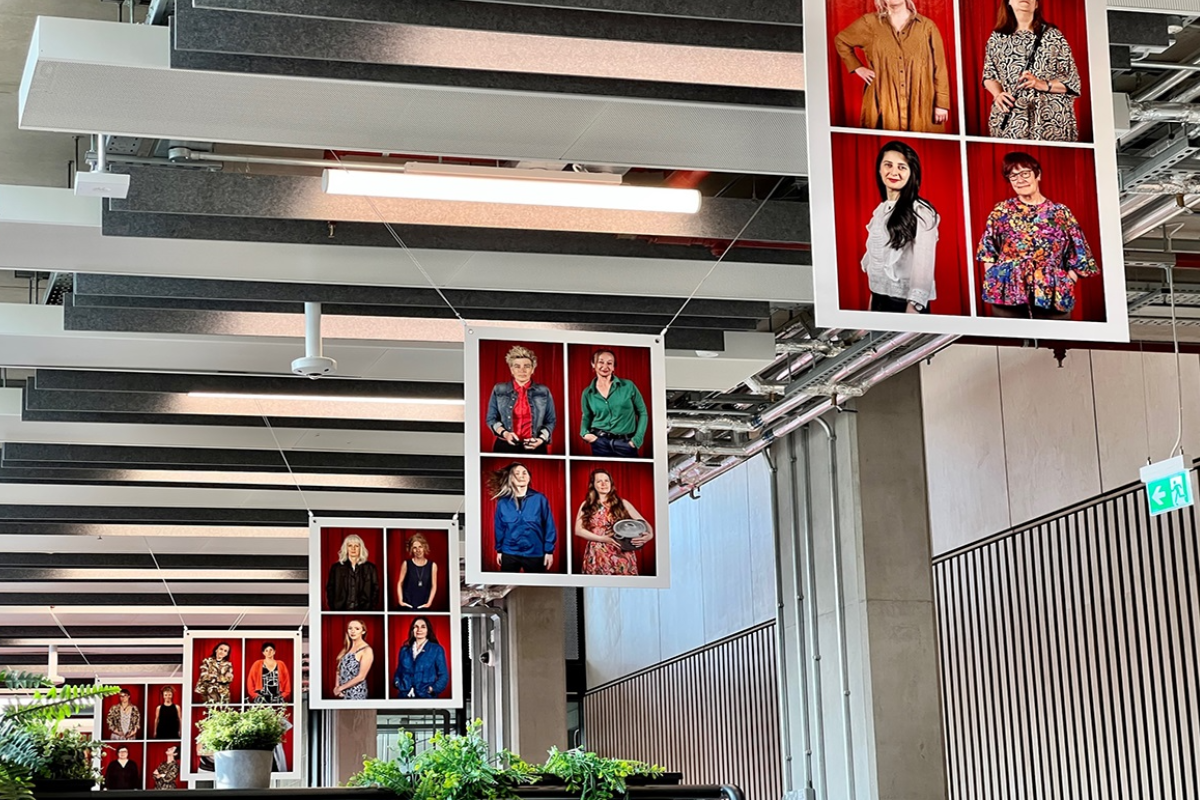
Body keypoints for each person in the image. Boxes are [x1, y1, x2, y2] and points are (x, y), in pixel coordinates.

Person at [976, 151, 1097, 318]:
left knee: (1055, 340)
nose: (1020, 180)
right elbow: (987, 251)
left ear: (1037, 175)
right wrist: (994, 278)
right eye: (1013, 176)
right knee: (1011, 340)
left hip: (1053, 290)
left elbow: (1079, 251)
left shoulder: (1060, 212)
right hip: (1008, 289)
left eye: (1025, 173)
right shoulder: (1001, 211)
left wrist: (1068, 280)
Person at [834, 0, 950, 132]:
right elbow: (841, 40)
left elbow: (939, 67)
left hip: (921, 103)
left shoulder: (927, 27)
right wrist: (857, 68)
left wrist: (941, 103)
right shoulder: (869, 23)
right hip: (883, 100)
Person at [982, 0, 1081, 141]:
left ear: (1036, 4)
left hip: (1050, 119)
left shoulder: (1053, 36)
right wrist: (998, 94)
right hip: (1012, 119)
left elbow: (1072, 81)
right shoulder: (997, 39)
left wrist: (1039, 84)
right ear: (1008, 3)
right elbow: (989, 75)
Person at [861, 142, 939, 314]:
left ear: (912, 173)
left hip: (906, 304)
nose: (894, 172)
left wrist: (913, 308)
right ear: (879, 169)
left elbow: (924, 264)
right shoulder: (881, 211)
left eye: (901, 167)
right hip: (879, 300)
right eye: (888, 165)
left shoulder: (921, 211)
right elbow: (877, 266)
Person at [574, 469, 653, 576]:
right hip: (598, 554)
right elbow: (578, 530)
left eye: (606, 480)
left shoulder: (622, 503)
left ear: (611, 483)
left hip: (622, 553)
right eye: (599, 481)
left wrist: (649, 535)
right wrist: (602, 539)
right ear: (593, 485)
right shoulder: (587, 505)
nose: (603, 484)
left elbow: (643, 522)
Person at [485, 345, 557, 454]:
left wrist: (541, 439)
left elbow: (550, 420)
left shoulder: (543, 391)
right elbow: (491, 419)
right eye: (517, 366)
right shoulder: (499, 389)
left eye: (527, 366)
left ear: (532, 369)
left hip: (536, 446)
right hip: (505, 445)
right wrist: (505, 434)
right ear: (511, 370)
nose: (522, 370)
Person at [489, 462, 557, 573]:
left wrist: (549, 552)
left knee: (536, 588)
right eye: (517, 473)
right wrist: (500, 550)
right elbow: (499, 528)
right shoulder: (503, 502)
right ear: (510, 478)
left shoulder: (539, 499)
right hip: (509, 553)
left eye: (525, 473)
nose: (522, 476)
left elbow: (549, 526)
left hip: (535, 552)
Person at [579, 349, 648, 458]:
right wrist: (585, 433)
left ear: (613, 367)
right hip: (599, 443)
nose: (605, 366)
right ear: (593, 364)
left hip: (626, 443)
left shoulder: (628, 386)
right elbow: (586, 416)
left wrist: (636, 440)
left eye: (609, 363)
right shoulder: (588, 393)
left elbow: (642, 412)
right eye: (601, 362)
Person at [392, 617, 449, 700]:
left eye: (423, 627)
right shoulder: (404, 650)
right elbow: (399, 671)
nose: (419, 630)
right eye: (416, 627)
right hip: (404, 696)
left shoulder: (436, 649)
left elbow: (443, 675)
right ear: (412, 630)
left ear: (428, 630)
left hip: (425, 696)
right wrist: (397, 683)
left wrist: (433, 689)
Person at [325, 533, 380, 611]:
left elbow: (375, 589)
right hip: (340, 608)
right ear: (346, 548)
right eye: (350, 545)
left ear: (361, 548)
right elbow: (330, 588)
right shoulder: (336, 568)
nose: (353, 549)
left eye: (356, 546)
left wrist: (371, 607)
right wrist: (333, 606)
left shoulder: (370, 568)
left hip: (364, 609)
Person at [332, 619, 374, 700]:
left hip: (356, 693)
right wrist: (337, 687)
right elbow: (339, 670)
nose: (353, 631)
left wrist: (341, 688)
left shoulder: (366, 650)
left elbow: (361, 677)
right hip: (342, 693)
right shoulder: (346, 649)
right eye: (350, 628)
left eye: (357, 629)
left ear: (363, 631)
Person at [397, 533, 438, 610]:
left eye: (420, 547)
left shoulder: (433, 565)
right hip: (407, 605)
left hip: (424, 605)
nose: (418, 550)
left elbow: (434, 586)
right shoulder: (406, 564)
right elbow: (400, 582)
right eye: (414, 548)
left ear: (424, 547)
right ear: (411, 549)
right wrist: (400, 601)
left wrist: (429, 603)